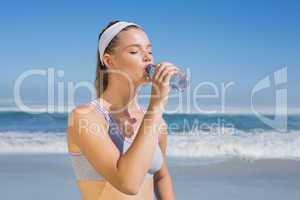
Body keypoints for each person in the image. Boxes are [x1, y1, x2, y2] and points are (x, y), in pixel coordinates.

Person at [67, 20, 177, 200]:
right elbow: (128, 183)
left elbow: (161, 176)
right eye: (135, 51)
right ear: (109, 61)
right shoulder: (85, 117)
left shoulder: (157, 123)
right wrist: (156, 105)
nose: (148, 58)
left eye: (149, 51)